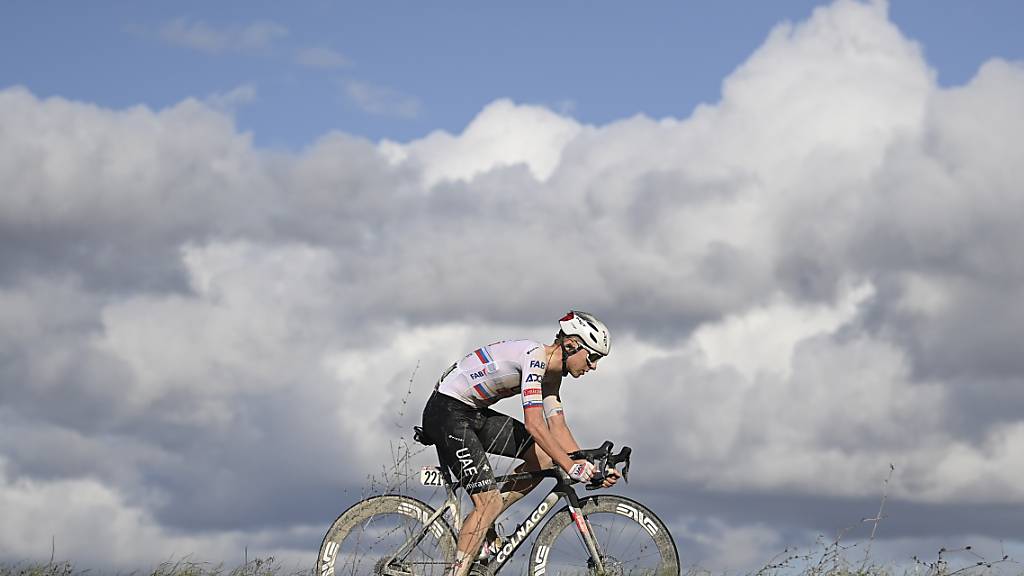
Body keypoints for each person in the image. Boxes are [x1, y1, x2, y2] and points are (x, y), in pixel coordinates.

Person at [421, 311, 621, 576]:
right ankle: (461, 562)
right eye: (592, 356)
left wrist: (587, 465)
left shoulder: (552, 375)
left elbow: (557, 427)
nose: (594, 366)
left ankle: (483, 525)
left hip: (473, 413)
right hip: (446, 412)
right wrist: (572, 468)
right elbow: (535, 425)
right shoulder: (535, 359)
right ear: (571, 345)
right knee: (488, 502)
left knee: (544, 458)